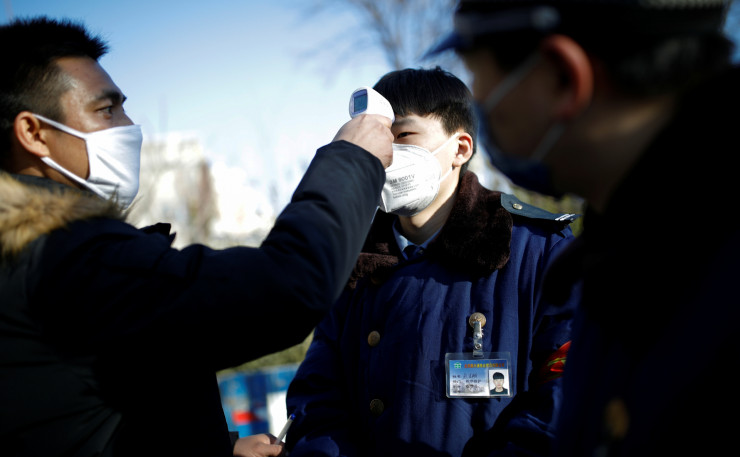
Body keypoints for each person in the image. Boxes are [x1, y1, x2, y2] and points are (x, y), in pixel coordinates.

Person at [0, 16, 393, 457]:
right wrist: (352, 159)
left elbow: (96, 412)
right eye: (106, 110)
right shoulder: (66, 257)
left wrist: (216, 449)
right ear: (33, 133)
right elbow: (288, 286)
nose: (129, 127)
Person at [428, 0, 740, 455]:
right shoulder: (628, 254)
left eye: (477, 75)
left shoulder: (705, 278)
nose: (476, 100)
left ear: (563, 78)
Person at [279, 67, 580, 457]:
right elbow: (317, 398)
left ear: (460, 149)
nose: (386, 153)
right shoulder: (352, 264)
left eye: (403, 135)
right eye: (378, 138)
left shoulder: (536, 250)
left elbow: (568, 391)